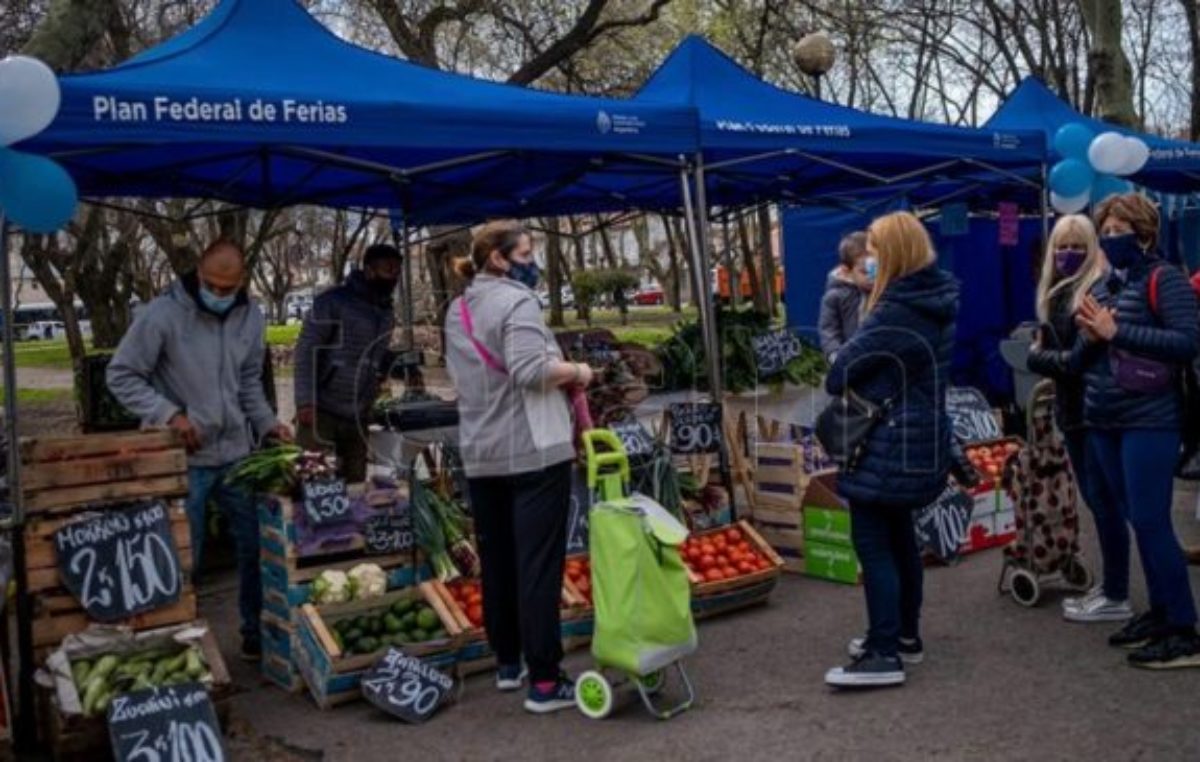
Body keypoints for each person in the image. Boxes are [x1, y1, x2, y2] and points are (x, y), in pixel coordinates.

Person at [107, 239, 291, 660]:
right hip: (182, 459)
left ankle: (258, 634)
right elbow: (122, 374)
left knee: (257, 545)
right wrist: (168, 414)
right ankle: (178, 648)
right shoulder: (162, 315)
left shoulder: (251, 316)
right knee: (183, 557)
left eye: (228, 289)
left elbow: (248, 383)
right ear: (198, 275)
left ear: (242, 282)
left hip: (237, 455)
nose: (219, 295)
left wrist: (267, 425)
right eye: (212, 285)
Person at [444, 220, 594, 713]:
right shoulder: (518, 301)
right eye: (527, 252)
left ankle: (508, 663)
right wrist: (578, 371)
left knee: (501, 562)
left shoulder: (458, 308)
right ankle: (546, 682)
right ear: (499, 259)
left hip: (482, 453)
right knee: (538, 567)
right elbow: (531, 371)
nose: (534, 261)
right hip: (532, 449)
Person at [822, 212, 959, 688]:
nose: (869, 258)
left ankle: (883, 652)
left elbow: (840, 373)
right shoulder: (935, 299)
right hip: (915, 441)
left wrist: (848, 354)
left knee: (876, 546)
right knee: (901, 541)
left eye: (876, 249)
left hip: (886, 444)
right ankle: (904, 636)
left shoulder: (895, 310)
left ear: (893, 254)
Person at [1073, 192, 1200, 668]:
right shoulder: (1107, 286)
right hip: (1106, 418)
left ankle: (1185, 630)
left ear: (1144, 233)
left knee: (1151, 520)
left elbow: (1187, 342)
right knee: (1135, 519)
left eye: (1119, 230)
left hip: (1151, 418)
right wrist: (1087, 337)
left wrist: (1116, 332)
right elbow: (1090, 353)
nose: (1111, 238)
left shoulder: (1164, 279)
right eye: (1105, 231)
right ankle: (1162, 612)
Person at [1025, 215, 1127, 622]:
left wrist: (1036, 357)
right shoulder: (1058, 291)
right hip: (1075, 411)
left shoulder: (1091, 293)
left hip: (1091, 412)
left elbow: (1077, 361)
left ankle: (1117, 593)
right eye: (1062, 246)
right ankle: (1112, 586)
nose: (1069, 254)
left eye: (1078, 246)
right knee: (1099, 502)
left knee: (1105, 504)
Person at [294, 244, 401, 483]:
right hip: (321, 410)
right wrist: (304, 401)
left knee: (355, 486)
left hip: (358, 413)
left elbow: (374, 353)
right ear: (369, 270)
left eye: (397, 271)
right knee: (312, 481)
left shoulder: (386, 312)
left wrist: (401, 365)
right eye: (387, 270)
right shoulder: (332, 302)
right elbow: (306, 351)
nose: (393, 277)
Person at [818, 231, 873, 361]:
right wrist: (835, 355)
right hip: (850, 360)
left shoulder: (881, 290)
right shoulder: (834, 297)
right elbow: (828, 330)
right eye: (865, 272)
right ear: (846, 270)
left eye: (875, 269)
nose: (872, 277)